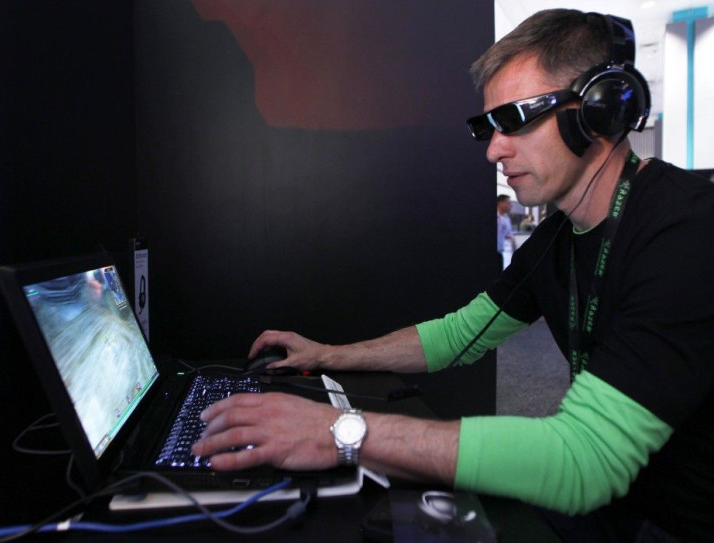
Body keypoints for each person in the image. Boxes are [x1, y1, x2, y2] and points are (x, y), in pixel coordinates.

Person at [193, 10, 714, 542]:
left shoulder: (689, 231)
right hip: (618, 508)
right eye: (489, 128)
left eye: (514, 120)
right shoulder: (555, 242)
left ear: (600, 110)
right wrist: (328, 355)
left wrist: (341, 433)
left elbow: (586, 459)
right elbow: (458, 335)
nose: (494, 150)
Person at [496, 194, 515, 271]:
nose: (510, 205)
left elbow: (509, 235)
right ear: (501, 203)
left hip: (500, 252)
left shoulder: (506, 218)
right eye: (508, 203)